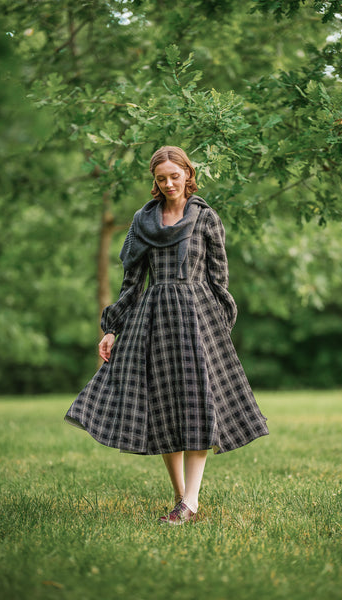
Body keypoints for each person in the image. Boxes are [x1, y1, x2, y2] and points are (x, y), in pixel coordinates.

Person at [65, 146, 269, 525]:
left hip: (197, 318)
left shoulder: (206, 218)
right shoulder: (142, 222)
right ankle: (180, 495)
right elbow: (130, 283)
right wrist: (111, 328)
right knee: (164, 406)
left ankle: (190, 502)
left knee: (196, 404)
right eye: (162, 178)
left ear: (187, 175)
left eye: (175, 176)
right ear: (155, 181)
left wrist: (219, 326)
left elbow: (219, 278)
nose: (169, 183)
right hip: (154, 319)